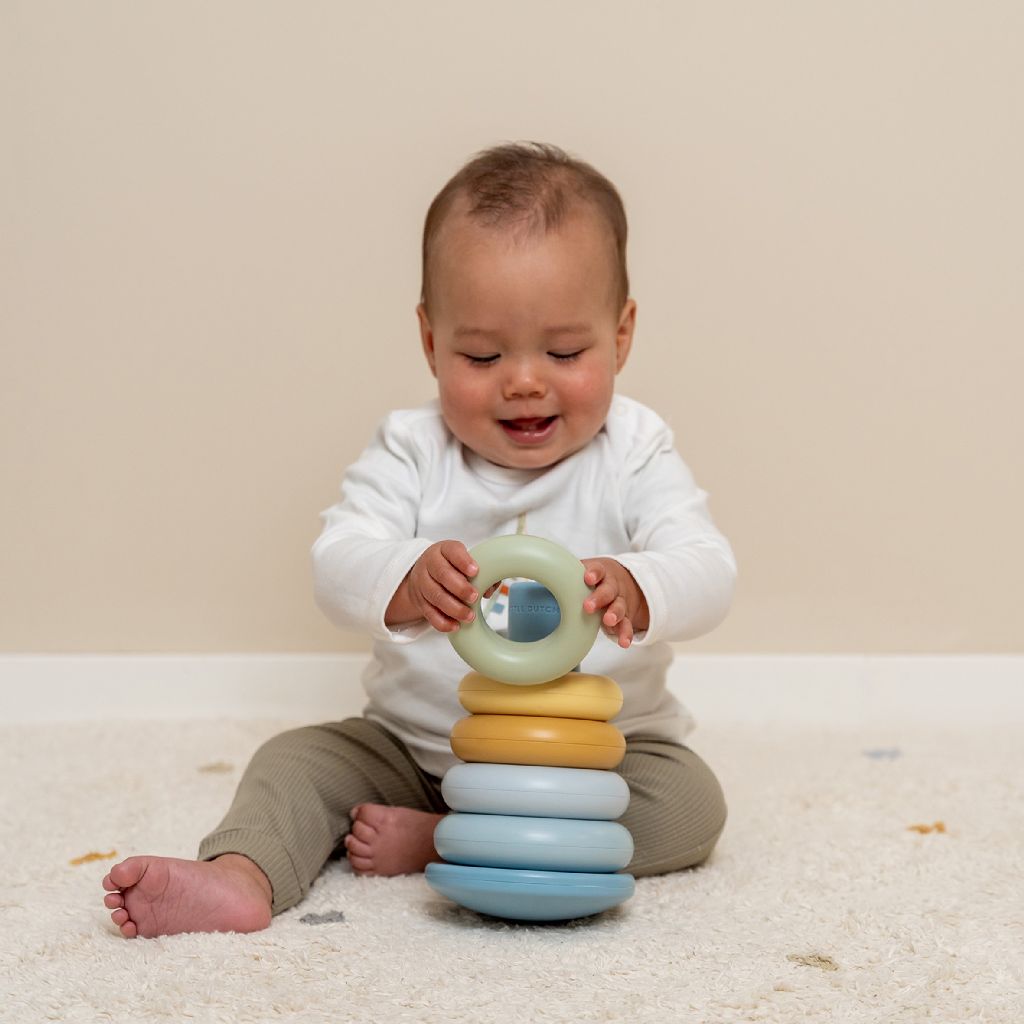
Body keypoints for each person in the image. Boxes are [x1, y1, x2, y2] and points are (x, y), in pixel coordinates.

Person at [101, 141, 736, 939]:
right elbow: (337, 563)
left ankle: (446, 842)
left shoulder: (636, 450)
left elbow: (709, 568)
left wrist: (642, 586)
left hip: (593, 766)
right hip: (416, 757)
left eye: (566, 352)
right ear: (432, 342)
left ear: (623, 334)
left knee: (692, 805)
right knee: (295, 761)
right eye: (481, 354)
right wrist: (404, 575)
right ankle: (242, 874)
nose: (525, 380)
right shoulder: (411, 449)